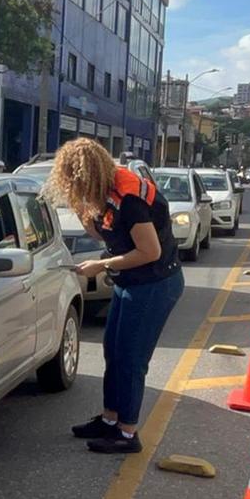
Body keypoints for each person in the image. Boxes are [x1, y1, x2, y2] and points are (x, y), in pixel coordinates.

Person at [45, 138, 184, 454]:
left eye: (74, 180)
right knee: (113, 351)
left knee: (132, 359)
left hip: (155, 283)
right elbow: (101, 232)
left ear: (88, 174)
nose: (71, 186)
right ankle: (110, 420)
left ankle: (127, 432)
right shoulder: (102, 194)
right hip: (130, 281)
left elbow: (150, 251)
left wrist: (101, 264)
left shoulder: (129, 199)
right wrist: (81, 207)